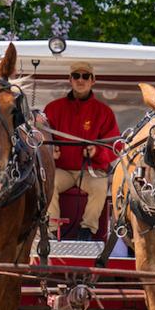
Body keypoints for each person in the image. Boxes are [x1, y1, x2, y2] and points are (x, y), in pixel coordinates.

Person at [44, 61, 119, 240]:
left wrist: (97, 152)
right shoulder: (53, 108)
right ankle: (52, 229)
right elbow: (42, 137)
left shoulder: (104, 112)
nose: (80, 80)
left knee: (101, 186)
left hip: (89, 172)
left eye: (85, 76)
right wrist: (50, 150)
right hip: (62, 171)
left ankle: (87, 230)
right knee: (48, 181)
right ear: (70, 79)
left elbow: (115, 145)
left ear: (93, 80)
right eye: (76, 76)